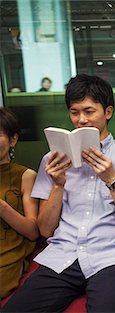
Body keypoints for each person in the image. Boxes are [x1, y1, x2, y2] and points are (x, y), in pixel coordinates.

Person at [2, 74, 115, 312]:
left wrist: (112, 180)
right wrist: (58, 184)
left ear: (108, 112)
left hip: (112, 255)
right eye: (74, 112)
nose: (81, 119)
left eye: (89, 111)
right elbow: (45, 229)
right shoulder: (52, 160)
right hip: (64, 253)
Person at [0, 108, 39, 299]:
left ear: (13, 140)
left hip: (7, 257)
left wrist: (2, 207)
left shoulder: (25, 176)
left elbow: (32, 232)